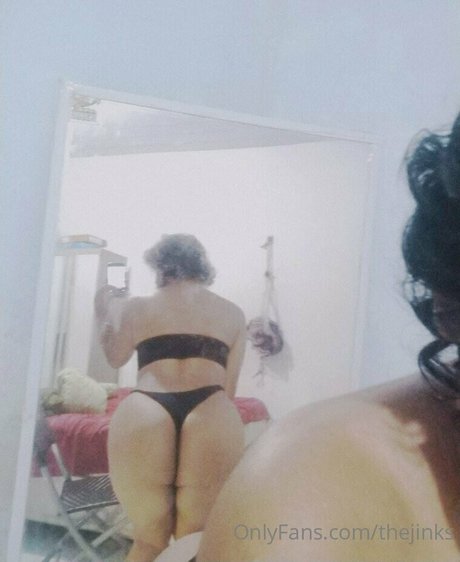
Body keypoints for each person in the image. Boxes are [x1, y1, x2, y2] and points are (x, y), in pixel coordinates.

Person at [192, 113, 460, 562]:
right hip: (212, 409)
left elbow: (118, 351)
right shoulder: (229, 312)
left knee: (155, 533)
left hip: (155, 406)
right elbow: (229, 381)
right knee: (186, 523)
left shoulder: (147, 308)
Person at [94, 234, 246, 562]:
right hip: (211, 409)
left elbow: (115, 358)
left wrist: (103, 312)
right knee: (193, 541)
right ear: (202, 265)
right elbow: (229, 391)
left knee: (148, 541)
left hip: (146, 408)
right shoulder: (233, 313)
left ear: (159, 265)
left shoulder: (136, 307)